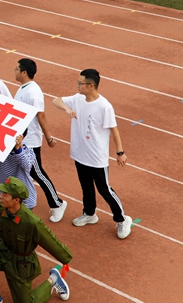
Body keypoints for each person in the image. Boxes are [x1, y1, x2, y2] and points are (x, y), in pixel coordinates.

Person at [52, 68, 132, 239]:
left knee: (104, 189)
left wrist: (120, 152)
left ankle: (122, 219)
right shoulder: (78, 98)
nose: (78, 85)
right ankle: (89, 214)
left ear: (91, 86)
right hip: (80, 154)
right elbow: (56, 100)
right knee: (86, 186)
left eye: (80, 83)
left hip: (97, 157)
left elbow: (114, 130)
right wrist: (66, 109)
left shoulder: (104, 106)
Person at [0, 176, 72, 303]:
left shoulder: (31, 222)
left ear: (16, 200)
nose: (0, 196)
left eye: (5, 194)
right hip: (2, 252)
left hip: (21, 263)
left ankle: (53, 280)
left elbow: (50, 241)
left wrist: (65, 258)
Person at [14, 58, 67, 223]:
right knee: (26, 172)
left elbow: (41, 115)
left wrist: (49, 137)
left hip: (30, 140)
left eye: (16, 69)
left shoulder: (33, 92)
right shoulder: (22, 88)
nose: (14, 71)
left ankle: (57, 203)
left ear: (24, 72)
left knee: (37, 172)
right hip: (21, 139)